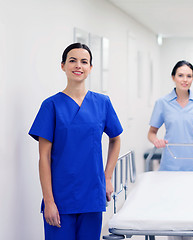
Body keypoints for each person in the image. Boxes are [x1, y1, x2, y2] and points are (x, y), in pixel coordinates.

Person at [29, 43, 123, 240]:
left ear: (90, 68)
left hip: (92, 194)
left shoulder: (102, 103)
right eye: (72, 60)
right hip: (60, 197)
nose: (78, 65)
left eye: (84, 61)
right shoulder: (51, 105)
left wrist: (107, 177)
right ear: (63, 66)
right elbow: (44, 157)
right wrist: (48, 201)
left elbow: (115, 139)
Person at [148, 60, 193, 172]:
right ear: (173, 77)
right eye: (180, 75)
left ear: (192, 79)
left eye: (189, 76)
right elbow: (151, 133)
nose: (185, 80)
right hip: (171, 163)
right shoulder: (162, 103)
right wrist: (156, 141)